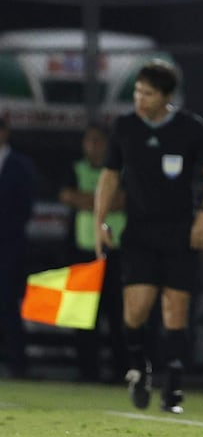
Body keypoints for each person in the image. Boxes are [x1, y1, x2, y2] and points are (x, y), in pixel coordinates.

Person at [94, 59, 203, 413]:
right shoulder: (124, 127)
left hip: (180, 233)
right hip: (139, 233)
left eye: (148, 93)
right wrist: (100, 221)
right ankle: (139, 367)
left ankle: (173, 389)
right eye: (137, 91)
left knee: (175, 311)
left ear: (166, 96)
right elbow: (109, 177)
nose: (140, 98)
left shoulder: (189, 128)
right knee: (135, 311)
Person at [59, 122, 127, 382]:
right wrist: (105, 201)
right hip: (83, 252)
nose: (93, 146)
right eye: (89, 141)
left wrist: (88, 200)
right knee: (83, 316)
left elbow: (125, 200)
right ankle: (87, 372)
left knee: (118, 315)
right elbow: (66, 196)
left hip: (116, 252)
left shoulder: (120, 170)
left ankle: (120, 372)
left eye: (98, 141)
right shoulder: (75, 169)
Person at [0, 117, 35, 379]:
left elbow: (24, 207)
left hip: (8, 247)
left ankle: (17, 364)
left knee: (9, 305)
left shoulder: (21, 166)